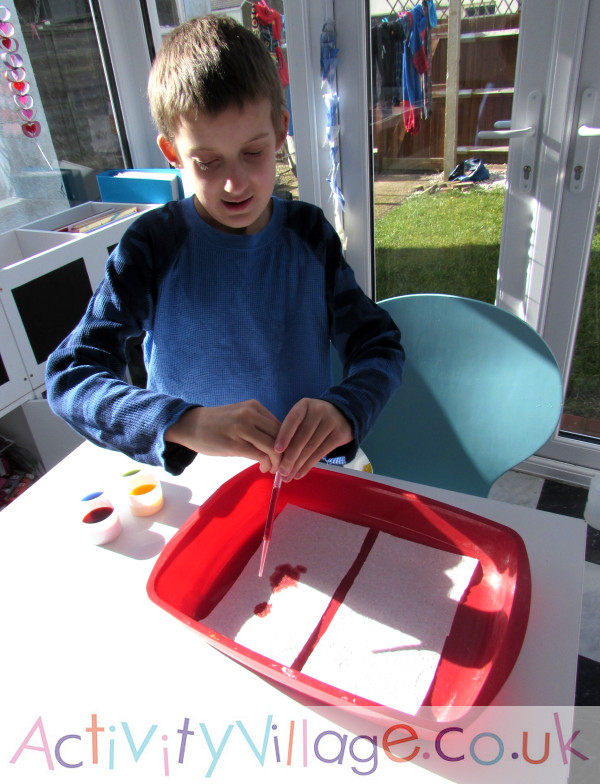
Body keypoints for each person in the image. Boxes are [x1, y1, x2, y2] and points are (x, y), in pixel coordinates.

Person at [45, 15, 404, 482]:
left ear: (280, 132)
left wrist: (345, 408)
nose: (235, 183)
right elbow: (70, 375)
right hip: (196, 486)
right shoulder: (152, 246)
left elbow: (379, 345)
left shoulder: (309, 235)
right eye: (208, 161)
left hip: (306, 477)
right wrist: (182, 421)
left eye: (253, 153)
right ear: (172, 153)